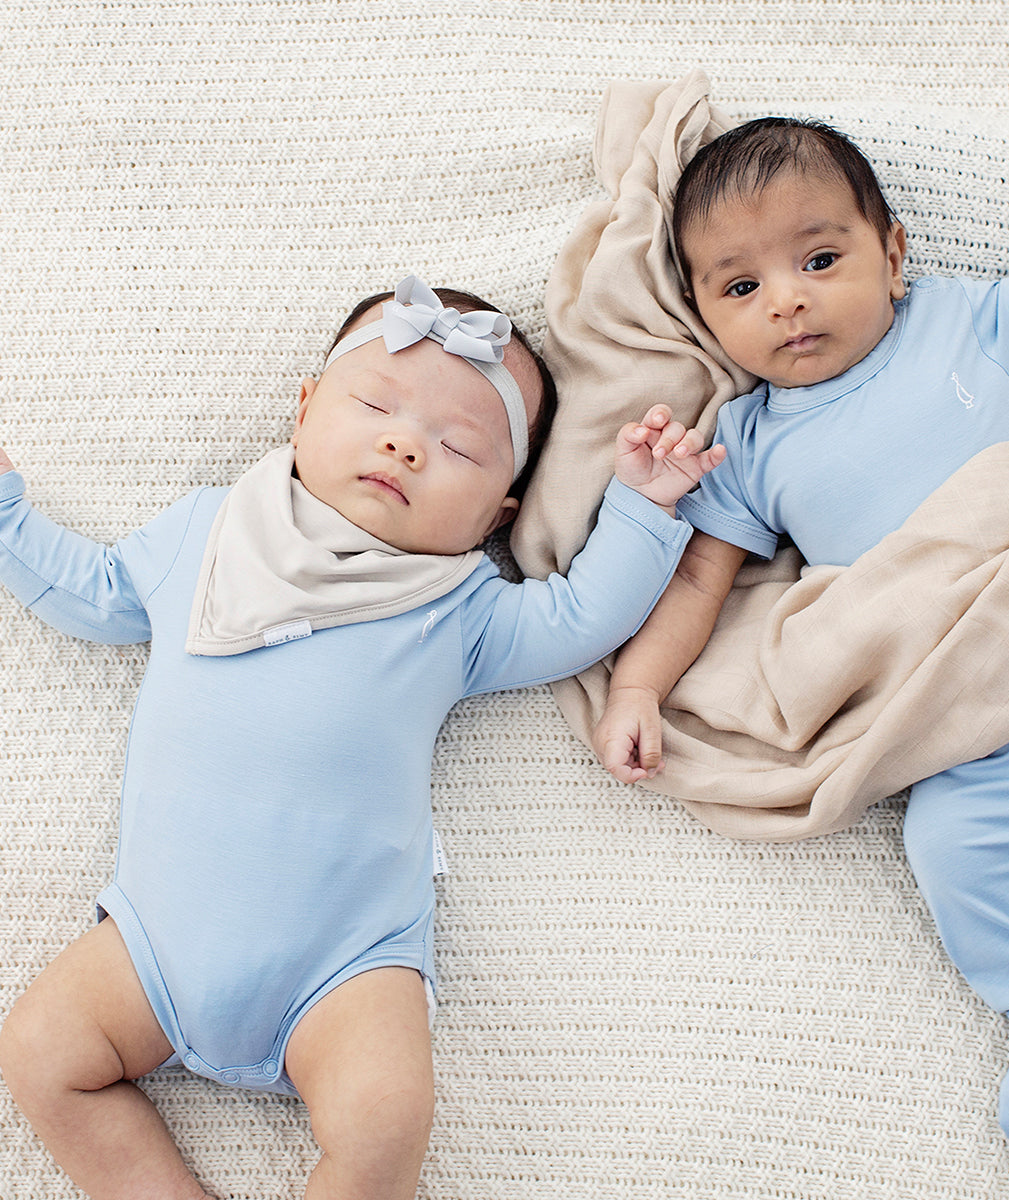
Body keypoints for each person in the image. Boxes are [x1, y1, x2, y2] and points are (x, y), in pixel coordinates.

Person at [0, 275, 723, 1200]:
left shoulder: (454, 608)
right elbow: (96, 592)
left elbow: (578, 618)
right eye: (376, 404)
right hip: (155, 947)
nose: (403, 444)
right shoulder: (207, 534)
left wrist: (642, 506)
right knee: (39, 1052)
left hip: (345, 968)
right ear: (302, 411)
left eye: (459, 446)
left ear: (496, 516)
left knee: (386, 1121)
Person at [593, 117, 1009, 1144]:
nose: (786, 298)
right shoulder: (742, 445)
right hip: (981, 739)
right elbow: (701, 579)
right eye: (739, 289)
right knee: (948, 847)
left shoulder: (962, 325)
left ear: (895, 254)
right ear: (703, 316)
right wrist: (639, 687)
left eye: (820, 259)